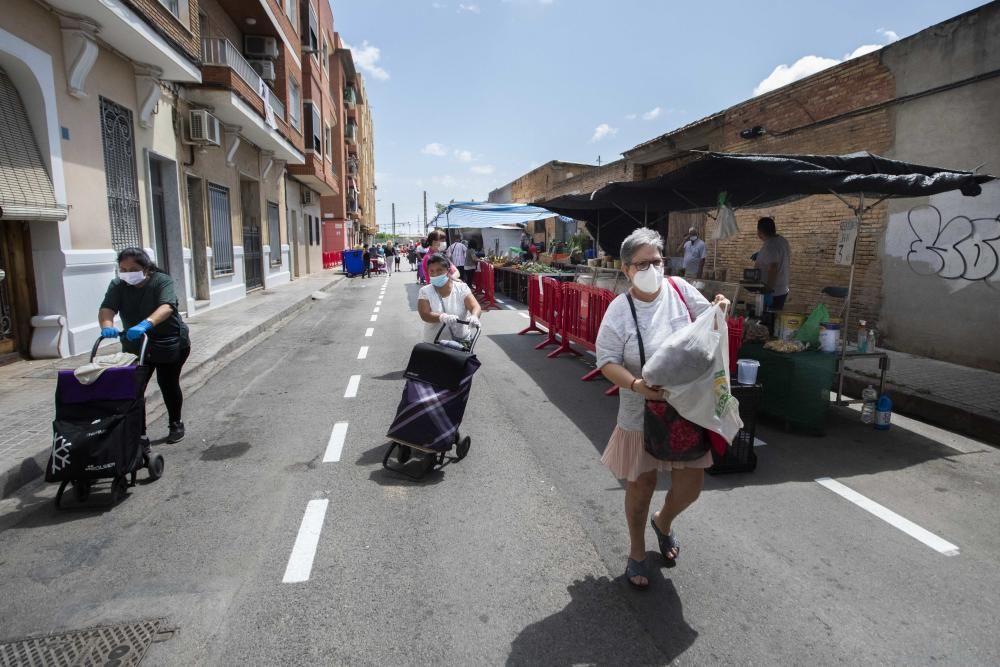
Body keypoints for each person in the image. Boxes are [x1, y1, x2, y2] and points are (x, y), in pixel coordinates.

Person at [595, 228, 729, 589]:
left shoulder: (681, 291)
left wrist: (719, 308)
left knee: (691, 485)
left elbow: (709, 326)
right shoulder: (619, 309)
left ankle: (664, 521)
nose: (652, 268)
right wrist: (638, 385)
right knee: (641, 484)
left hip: (688, 408)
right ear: (626, 270)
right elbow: (606, 360)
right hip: (640, 412)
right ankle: (637, 552)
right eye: (643, 264)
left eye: (657, 261)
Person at [98, 247, 191, 444]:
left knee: (167, 383)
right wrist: (107, 326)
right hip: (136, 346)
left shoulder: (161, 281)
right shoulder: (118, 285)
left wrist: (145, 323)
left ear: (146, 267)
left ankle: (176, 423)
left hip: (169, 342)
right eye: (123, 269)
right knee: (134, 389)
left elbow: (166, 306)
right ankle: (138, 431)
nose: (127, 274)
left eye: (132, 269)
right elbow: (107, 308)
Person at [417, 253, 482, 343]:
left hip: (461, 342)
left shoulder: (461, 288)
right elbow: (425, 315)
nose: (435, 274)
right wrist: (442, 317)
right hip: (434, 344)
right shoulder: (425, 291)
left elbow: (475, 306)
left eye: (439, 270)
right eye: (431, 271)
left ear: (448, 271)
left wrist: (474, 316)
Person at [754, 216, 792, 311]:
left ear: (760, 231)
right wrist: (760, 256)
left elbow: (773, 268)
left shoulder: (770, 246)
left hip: (773, 293)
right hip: (781, 289)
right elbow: (778, 258)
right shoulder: (782, 240)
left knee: (768, 321)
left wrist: (768, 290)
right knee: (774, 319)